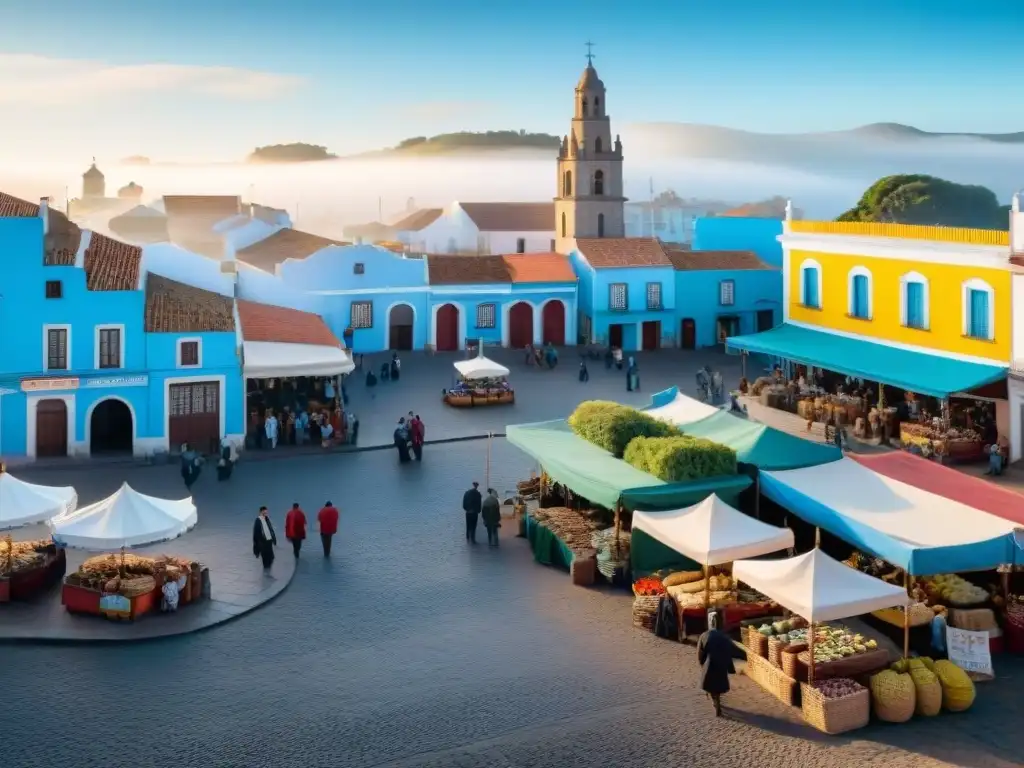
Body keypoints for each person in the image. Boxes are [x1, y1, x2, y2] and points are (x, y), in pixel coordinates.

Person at [696, 610, 745, 717]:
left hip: (710, 664)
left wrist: (701, 662)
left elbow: (700, 652)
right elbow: (733, 650)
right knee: (718, 684)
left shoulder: (705, 635)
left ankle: (715, 703)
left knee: (710, 684)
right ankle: (717, 702)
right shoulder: (725, 637)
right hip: (722, 664)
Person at [252, 506, 277, 571]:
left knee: (271, 557)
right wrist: (257, 545)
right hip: (263, 542)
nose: (266, 514)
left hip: (269, 541)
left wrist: (274, 539)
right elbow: (256, 533)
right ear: (261, 512)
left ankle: (268, 570)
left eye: (266, 512)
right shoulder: (258, 520)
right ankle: (266, 572)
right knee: (265, 559)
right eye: (264, 512)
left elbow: (270, 529)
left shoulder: (267, 519)